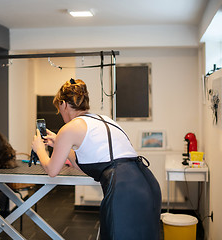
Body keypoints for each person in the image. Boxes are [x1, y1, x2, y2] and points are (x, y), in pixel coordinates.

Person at [31, 78, 161, 240]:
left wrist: (40, 149)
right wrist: (59, 142)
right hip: (146, 183)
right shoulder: (105, 120)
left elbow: (52, 170)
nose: (60, 113)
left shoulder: (70, 128)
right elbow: (85, 163)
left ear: (64, 104)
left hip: (124, 190)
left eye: (59, 109)